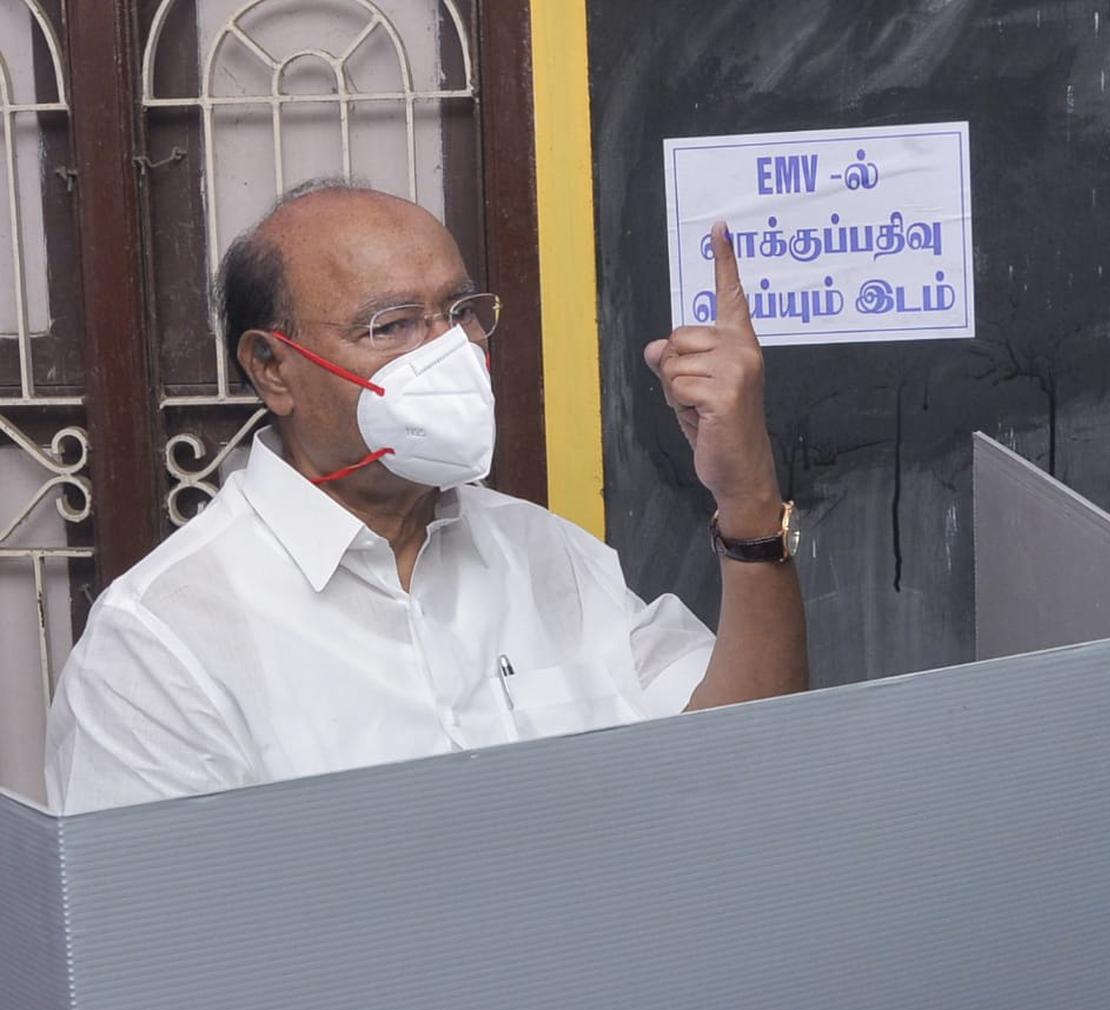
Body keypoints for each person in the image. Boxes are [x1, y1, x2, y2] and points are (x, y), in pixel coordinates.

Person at [44, 182, 807, 812]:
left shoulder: (551, 556)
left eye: (460, 311)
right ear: (273, 368)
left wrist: (746, 491)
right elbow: (151, 955)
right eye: (392, 324)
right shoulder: (160, 644)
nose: (451, 351)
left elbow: (740, 770)